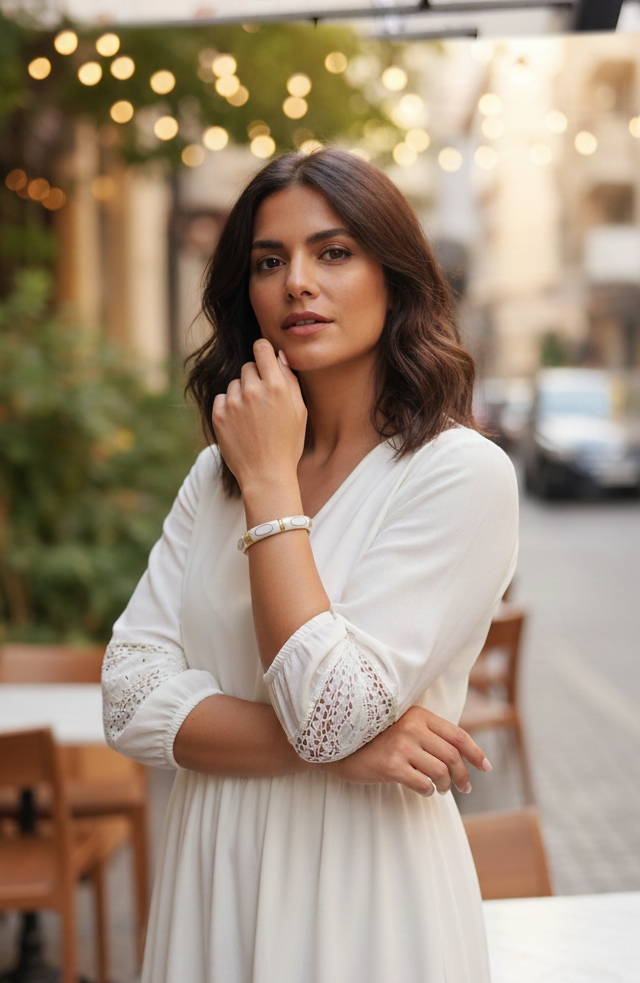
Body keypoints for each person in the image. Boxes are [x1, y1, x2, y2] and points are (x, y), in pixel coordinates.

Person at [102, 147, 518, 983]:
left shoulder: (457, 474)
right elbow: (128, 694)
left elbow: (329, 709)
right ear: (245, 292)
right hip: (211, 875)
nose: (298, 281)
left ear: (394, 275)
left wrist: (268, 485)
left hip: (362, 896)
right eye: (269, 260)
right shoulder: (214, 473)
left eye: (333, 252)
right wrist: (348, 749)